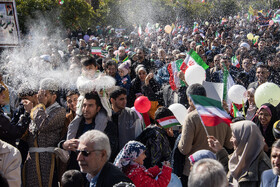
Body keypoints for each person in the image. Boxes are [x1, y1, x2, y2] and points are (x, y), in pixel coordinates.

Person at [178, 83, 232, 186]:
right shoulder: (221, 113)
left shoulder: (191, 117)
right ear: (205, 96)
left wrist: (179, 139)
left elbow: (185, 149)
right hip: (217, 169)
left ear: (190, 99)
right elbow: (229, 144)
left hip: (195, 171)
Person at [23, 78, 66, 187]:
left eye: (45, 94)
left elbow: (43, 125)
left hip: (47, 159)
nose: (41, 97)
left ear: (54, 96)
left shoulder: (60, 111)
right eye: (40, 93)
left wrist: (38, 106)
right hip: (32, 158)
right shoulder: (38, 110)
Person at [60, 91, 118, 170]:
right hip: (76, 170)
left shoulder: (108, 127)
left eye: (90, 106)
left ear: (98, 108)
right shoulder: (77, 125)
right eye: (84, 105)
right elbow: (62, 141)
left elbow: (110, 150)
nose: (86, 109)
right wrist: (64, 144)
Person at [208, 120, 271, 187]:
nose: (230, 140)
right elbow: (229, 169)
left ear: (244, 138)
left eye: (234, 136)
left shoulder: (264, 168)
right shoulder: (238, 155)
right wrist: (219, 150)